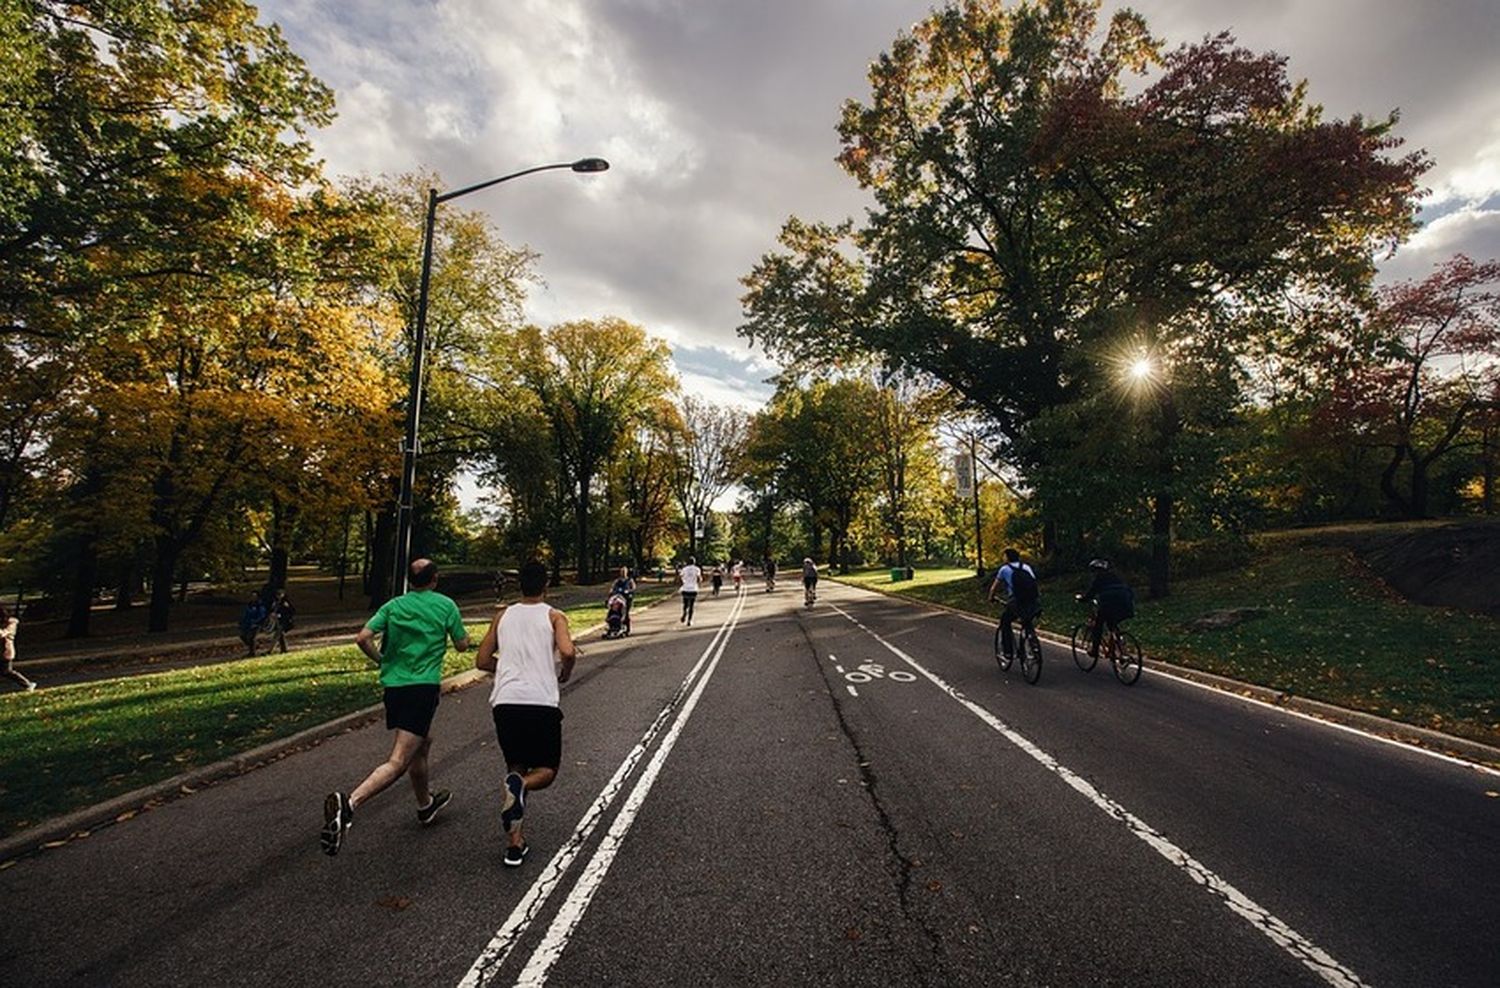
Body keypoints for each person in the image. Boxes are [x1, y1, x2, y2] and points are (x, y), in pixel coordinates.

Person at [320, 558, 471, 857]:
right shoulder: (445, 605)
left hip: (394, 688)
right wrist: (462, 638)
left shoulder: (393, 606)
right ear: (435, 579)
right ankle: (349, 805)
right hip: (422, 688)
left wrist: (382, 660)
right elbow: (462, 645)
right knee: (399, 759)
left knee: (422, 744)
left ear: (409, 580)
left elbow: (362, 637)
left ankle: (425, 806)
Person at [475, 560, 579, 867]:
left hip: (505, 702)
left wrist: (506, 668)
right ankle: (522, 788)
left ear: (519, 585)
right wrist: (565, 672)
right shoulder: (554, 616)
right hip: (540, 702)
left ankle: (514, 845)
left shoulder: (502, 615)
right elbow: (569, 651)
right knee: (546, 770)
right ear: (546, 585)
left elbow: (481, 660)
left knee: (516, 767)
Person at [987, 548, 1040, 662]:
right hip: (1032, 600)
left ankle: (1008, 652)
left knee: (1005, 621)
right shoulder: (1026, 567)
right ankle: (1033, 644)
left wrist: (991, 597)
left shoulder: (1004, 569)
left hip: (1016, 601)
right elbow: (1034, 583)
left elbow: (994, 587)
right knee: (1027, 621)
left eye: (1004, 556)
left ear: (1007, 557)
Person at [1082, 558, 1135, 657]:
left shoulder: (1099, 579)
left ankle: (1095, 650)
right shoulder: (1116, 577)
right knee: (1112, 624)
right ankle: (1115, 646)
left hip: (1109, 603)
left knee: (1098, 625)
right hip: (1125, 602)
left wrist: (1082, 599)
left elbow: (1091, 593)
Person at [0, 604, 37, 692]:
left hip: (5, 651)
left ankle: (28, 684)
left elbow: (3, 634)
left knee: (7, 671)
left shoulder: (11, 623)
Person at [609, 566, 636, 634]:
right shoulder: (617, 581)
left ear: (626, 572)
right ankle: (614, 626)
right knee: (615, 611)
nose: (623, 573)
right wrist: (612, 592)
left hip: (627, 599)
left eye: (624, 572)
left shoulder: (629, 580)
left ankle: (627, 628)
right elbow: (613, 588)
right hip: (618, 598)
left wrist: (629, 591)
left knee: (626, 613)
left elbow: (633, 588)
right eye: (622, 572)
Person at [678, 556, 702, 626]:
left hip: (685, 588)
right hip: (693, 589)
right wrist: (698, 582)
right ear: (694, 562)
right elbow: (699, 578)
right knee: (692, 605)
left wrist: (683, 582)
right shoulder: (697, 569)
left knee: (685, 604)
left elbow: (680, 577)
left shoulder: (684, 569)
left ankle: (684, 612)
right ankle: (689, 620)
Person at [270, 589, 296, 654]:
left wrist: (281, 615)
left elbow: (291, 612)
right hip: (277, 621)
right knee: (281, 635)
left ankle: (270, 650)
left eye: (280, 594)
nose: (279, 596)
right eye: (277, 594)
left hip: (284, 621)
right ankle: (284, 649)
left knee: (277, 634)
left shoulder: (285, 603)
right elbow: (273, 610)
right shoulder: (275, 602)